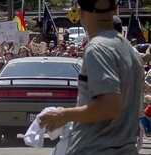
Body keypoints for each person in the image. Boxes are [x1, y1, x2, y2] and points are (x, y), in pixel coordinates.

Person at [39, 0, 143, 154]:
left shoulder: (97, 48)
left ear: (80, 12)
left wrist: (63, 115)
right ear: (115, 10)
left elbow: (109, 107)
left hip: (95, 149)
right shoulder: (129, 50)